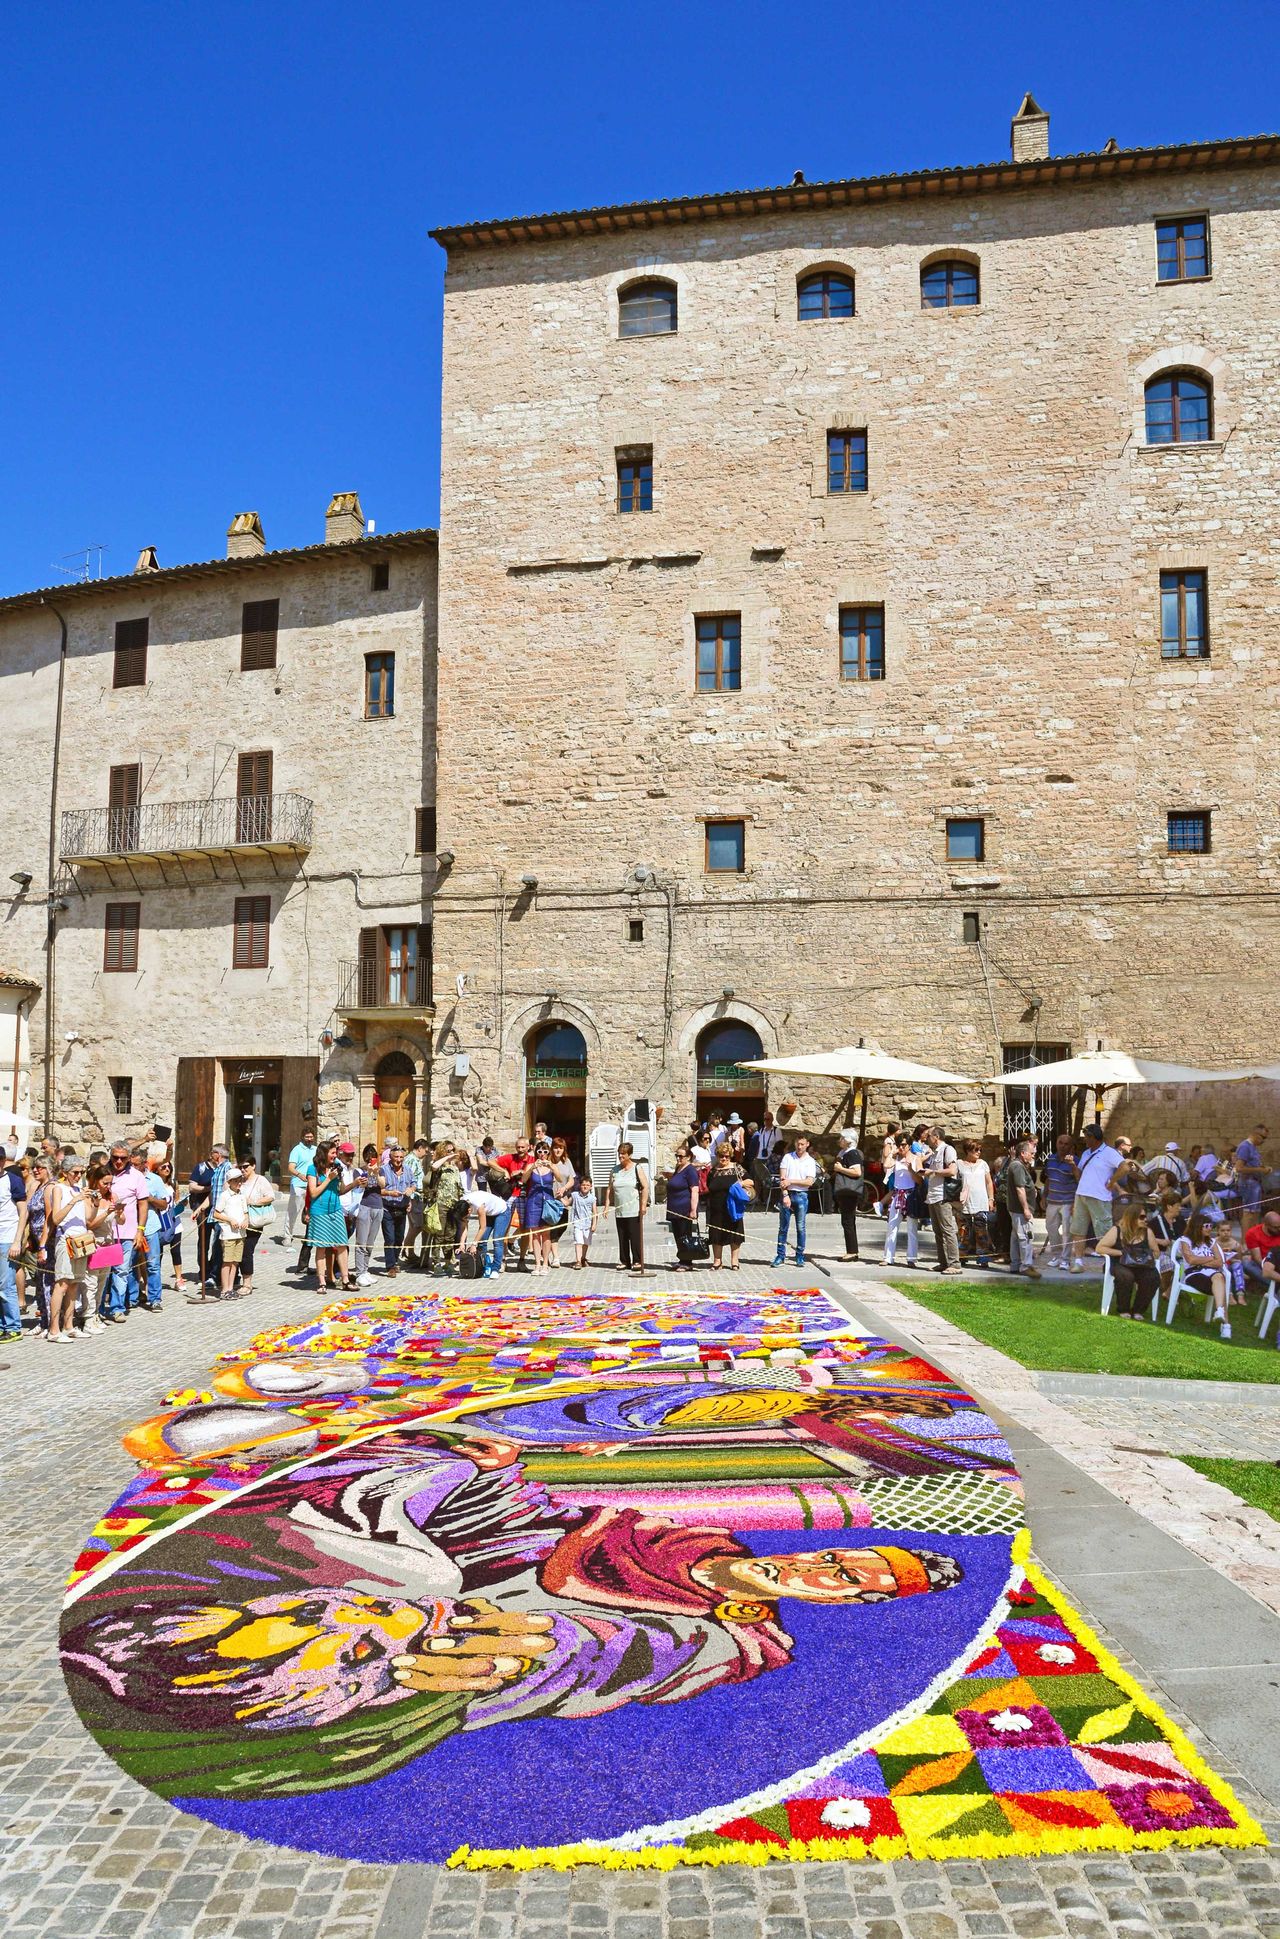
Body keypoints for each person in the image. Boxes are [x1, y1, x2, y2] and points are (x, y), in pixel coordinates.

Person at [44, 1155, 112, 1341]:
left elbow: (88, 1219)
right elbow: (56, 1218)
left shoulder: (79, 1190)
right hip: (66, 1239)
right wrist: (75, 1200)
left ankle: (68, 1326)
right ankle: (53, 1330)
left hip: (81, 1240)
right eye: (75, 1172)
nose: (78, 1175)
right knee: (62, 1284)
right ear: (65, 1172)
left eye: (81, 1172)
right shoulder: (59, 1188)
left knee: (74, 1284)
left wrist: (95, 1203)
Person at [105, 1143, 151, 1320]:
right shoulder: (103, 1172)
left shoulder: (137, 1176)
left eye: (123, 1158)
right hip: (103, 1232)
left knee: (121, 1271)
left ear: (129, 1158)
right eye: (115, 1157)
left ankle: (117, 1307)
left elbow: (143, 1205)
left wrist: (140, 1230)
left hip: (126, 1232)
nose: (118, 1161)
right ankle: (98, 1308)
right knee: (102, 1273)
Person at [1069, 1126, 1123, 1271]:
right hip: (1081, 1194)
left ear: (1093, 1137)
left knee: (1104, 1231)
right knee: (1078, 1230)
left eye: (1087, 1136)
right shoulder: (1086, 1153)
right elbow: (1079, 1176)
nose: (1084, 1139)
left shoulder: (1109, 1152)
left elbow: (1125, 1167)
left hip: (1100, 1197)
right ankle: (1078, 1262)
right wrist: (1073, 1166)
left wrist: (1112, 1182)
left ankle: (1111, 1264)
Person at [1171, 1210, 1231, 1337]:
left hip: (1213, 1275)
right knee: (1220, 1287)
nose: (1210, 1228)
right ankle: (1226, 1325)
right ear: (1198, 1226)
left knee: (1219, 1276)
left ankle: (1220, 1312)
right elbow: (1191, 1260)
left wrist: (1201, 1262)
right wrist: (1210, 1258)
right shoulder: (1185, 1240)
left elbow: (1220, 1262)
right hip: (1194, 1274)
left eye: (1211, 1226)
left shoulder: (1211, 1242)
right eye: (1207, 1226)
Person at [1097, 1202, 1162, 1319]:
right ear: (1132, 1217)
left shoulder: (1147, 1232)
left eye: (1146, 1217)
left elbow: (1156, 1252)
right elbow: (1100, 1248)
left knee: (1153, 1277)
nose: (1145, 1220)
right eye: (1141, 1217)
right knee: (1126, 1276)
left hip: (1141, 1265)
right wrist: (1121, 1253)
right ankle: (1123, 1309)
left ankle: (1138, 1310)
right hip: (1120, 1263)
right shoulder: (1117, 1230)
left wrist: (1145, 1255)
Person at [305, 1140, 351, 1295]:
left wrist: (346, 1180)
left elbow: (341, 1190)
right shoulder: (312, 1169)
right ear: (324, 1153)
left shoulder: (336, 1167)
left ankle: (345, 1280)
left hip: (335, 1210)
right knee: (321, 1247)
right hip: (319, 1212)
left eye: (335, 1153)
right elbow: (313, 1193)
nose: (335, 1155)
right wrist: (329, 1179)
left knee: (342, 1244)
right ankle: (322, 1282)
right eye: (332, 1153)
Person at [922, 1126, 963, 1277]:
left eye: (928, 1136)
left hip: (942, 1196)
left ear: (936, 1137)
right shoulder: (934, 1153)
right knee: (938, 1231)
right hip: (933, 1196)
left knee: (947, 1230)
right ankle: (943, 1262)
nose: (926, 1139)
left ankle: (954, 1264)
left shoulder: (948, 1150)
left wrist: (933, 1172)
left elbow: (952, 1171)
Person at [772, 1136, 817, 1268]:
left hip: (802, 1195)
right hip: (788, 1194)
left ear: (807, 1144)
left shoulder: (810, 1161)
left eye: (802, 1144)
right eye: (798, 1144)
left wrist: (791, 1181)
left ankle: (800, 1255)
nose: (799, 1147)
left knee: (800, 1227)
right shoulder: (788, 1158)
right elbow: (783, 1179)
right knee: (783, 1227)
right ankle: (780, 1255)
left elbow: (809, 1181)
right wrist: (785, 1194)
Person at [605, 1140, 648, 1274]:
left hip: (634, 1209)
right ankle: (624, 1260)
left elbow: (645, 1187)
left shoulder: (637, 1168)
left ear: (630, 1155)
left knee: (634, 1236)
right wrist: (606, 1206)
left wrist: (643, 1205)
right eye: (619, 1153)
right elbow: (609, 1189)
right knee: (622, 1236)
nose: (621, 1156)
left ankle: (637, 1260)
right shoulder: (615, 1170)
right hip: (620, 1210)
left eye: (623, 1154)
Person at [882, 1132, 922, 1267]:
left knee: (912, 1228)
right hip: (897, 1194)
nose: (901, 1147)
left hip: (911, 1195)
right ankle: (888, 1257)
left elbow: (920, 1180)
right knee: (892, 1226)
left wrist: (911, 1169)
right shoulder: (896, 1158)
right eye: (899, 1144)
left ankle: (912, 1258)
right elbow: (886, 1165)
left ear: (909, 1145)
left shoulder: (916, 1159)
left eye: (903, 1145)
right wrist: (892, 1153)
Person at [1039, 1135, 1079, 1269]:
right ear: (1056, 1144)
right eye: (1060, 1143)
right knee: (1050, 1228)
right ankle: (1056, 1255)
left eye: (1066, 1144)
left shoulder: (1076, 1161)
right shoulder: (1051, 1159)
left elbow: (1080, 1180)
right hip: (1052, 1200)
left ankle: (1065, 1260)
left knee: (1068, 1232)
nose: (1063, 1146)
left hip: (1068, 1201)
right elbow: (1048, 1179)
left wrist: (1073, 1166)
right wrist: (1044, 1196)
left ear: (1071, 1146)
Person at [1003, 1136, 1040, 1279]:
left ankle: (1015, 1264)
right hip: (1020, 1210)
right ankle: (1026, 1265)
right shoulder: (1018, 1166)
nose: (1033, 1155)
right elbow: (1020, 1188)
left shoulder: (1017, 1165)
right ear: (1023, 1153)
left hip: (1016, 1209)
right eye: (1031, 1153)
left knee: (1016, 1237)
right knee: (1026, 1237)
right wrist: (1026, 1208)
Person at [239, 1156, 277, 1295]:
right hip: (238, 1221)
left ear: (253, 1166)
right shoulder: (239, 1180)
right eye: (240, 1167)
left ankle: (247, 1283)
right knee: (237, 1252)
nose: (243, 1169)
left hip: (254, 1222)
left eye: (245, 1166)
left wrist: (253, 1201)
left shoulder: (260, 1180)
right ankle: (235, 1280)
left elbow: (271, 1196)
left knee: (246, 1251)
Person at [955, 1140, 995, 1269]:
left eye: (980, 1150)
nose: (978, 1152)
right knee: (963, 1231)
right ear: (968, 1150)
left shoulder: (983, 1164)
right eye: (975, 1150)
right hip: (964, 1203)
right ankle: (962, 1256)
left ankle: (983, 1258)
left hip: (980, 1202)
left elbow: (989, 1182)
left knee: (981, 1231)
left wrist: (991, 1199)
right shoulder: (959, 1164)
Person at [706, 1145, 746, 1270]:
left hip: (733, 1206)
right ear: (717, 1156)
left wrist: (740, 1184)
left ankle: (735, 1261)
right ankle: (717, 1261)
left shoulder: (736, 1168)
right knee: (716, 1233)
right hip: (716, 1207)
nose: (724, 1158)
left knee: (735, 1233)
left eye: (727, 1156)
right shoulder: (713, 1171)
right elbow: (709, 1187)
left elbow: (751, 1181)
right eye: (721, 1156)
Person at [213, 1166, 249, 1300]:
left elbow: (246, 1213)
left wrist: (245, 1220)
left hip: (241, 1234)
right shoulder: (224, 1196)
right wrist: (230, 1220)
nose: (239, 1183)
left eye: (240, 1180)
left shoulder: (242, 1196)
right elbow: (216, 1213)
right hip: (228, 1234)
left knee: (235, 1262)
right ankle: (224, 1290)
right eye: (235, 1181)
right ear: (229, 1182)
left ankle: (230, 1288)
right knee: (227, 1262)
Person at [665, 1143, 702, 1270]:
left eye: (681, 1156)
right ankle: (682, 1259)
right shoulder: (678, 1168)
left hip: (684, 1209)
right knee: (678, 1236)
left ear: (688, 1157)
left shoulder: (690, 1170)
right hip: (674, 1209)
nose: (678, 1158)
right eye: (677, 1155)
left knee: (685, 1236)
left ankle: (687, 1262)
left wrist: (693, 1210)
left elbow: (695, 1191)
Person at [352, 1145, 384, 1287]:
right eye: (368, 1157)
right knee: (361, 1242)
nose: (371, 1160)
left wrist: (375, 1174)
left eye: (373, 1157)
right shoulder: (358, 1171)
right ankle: (359, 1273)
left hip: (378, 1206)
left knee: (370, 1242)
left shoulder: (380, 1170)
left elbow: (383, 1185)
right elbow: (360, 1187)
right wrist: (368, 1174)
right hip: (364, 1206)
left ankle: (365, 1269)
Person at [831, 1128, 864, 1262]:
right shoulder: (845, 1153)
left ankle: (851, 1251)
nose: (840, 1140)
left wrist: (840, 1169)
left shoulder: (852, 1153)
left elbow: (857, 1172)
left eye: (842, 1138)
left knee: (848, 1221)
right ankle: (852, 1250)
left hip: (849, 1192)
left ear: (848, 1140)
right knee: (848, 1221)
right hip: (846, 1192)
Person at [380, 1145, 412, 1277]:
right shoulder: (383, 1170)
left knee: (399, 1238)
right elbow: (378, 1190)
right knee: (390, 1238)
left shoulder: (408, 1170)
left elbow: (413, 1184)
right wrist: (390, 1193)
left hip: (402, 1208)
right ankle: (390, 1266)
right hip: (387, 1208)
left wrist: (411, 1190)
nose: (398, 1160)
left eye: (401, 1157)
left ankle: (395, 1260)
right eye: (396, 1157)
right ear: (390, 1157)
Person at [284, 1129, 317, 1246]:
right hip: (298, 1185)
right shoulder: (296, 1150)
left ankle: (311, 1235)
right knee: (293, 1211)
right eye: (307, 1137)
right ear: (302, 1137)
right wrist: (299, 1175)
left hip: (312, 1185)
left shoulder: (315, 1149)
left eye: (311, 1137)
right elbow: (291, 1167)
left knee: (313, 1212)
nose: (309, 1139)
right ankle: (287, 1236)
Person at [1233, 1124, 1269, 1221]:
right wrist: (1259, 1170)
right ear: (1255, 1134)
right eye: (1263, 1137)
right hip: (1248, 1183)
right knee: (1248, 1213)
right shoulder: (1245, 1146)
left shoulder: (1253, 1147)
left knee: (1255, 1213)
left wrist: (1263, 1168)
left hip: (1254, 1183)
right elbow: (1239, 1168)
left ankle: (1253, 1231)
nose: (1263, 1141)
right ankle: (1247, 1232)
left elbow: (1252, 1164)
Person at [1242, 1209, 1280, 1299]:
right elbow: (1257, 1258)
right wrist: (1270, 1268)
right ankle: (1275, 1286)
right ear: (1266, 1224)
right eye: (1276, 1227)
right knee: (1246, 1264)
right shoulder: (1253, 1233)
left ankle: (1274, 1287)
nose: (1279, 1229)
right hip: (1264, 1265)